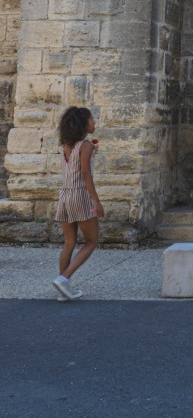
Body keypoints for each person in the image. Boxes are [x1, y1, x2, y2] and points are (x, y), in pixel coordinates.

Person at [52, 106, 105, 301]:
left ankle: (62, 292)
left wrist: (91, 154)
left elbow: (75, 167)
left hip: (65, 196)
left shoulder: (65, 146)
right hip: (80, 196)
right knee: (91, 241)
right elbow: (84, 174)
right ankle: (64, 279)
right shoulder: (86, 145)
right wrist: (96, 201)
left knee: (69, 242)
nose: (94, 123)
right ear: (84, 123)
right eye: (92, 120)